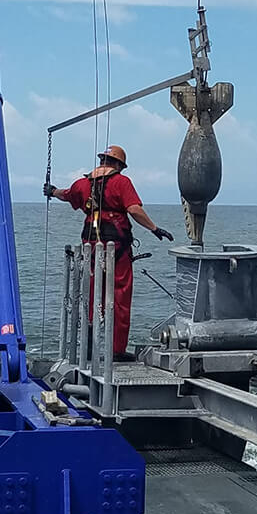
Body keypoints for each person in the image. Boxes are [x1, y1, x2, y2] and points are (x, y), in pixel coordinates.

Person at [45, 145, 173, 361]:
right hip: (117, 249)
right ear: (118, 165)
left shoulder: (82, 184)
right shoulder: (121, 182)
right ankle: (117, 351)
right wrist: (154, 229)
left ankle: (88, 348)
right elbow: (133, 209)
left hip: (90, 247)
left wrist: (52, 191)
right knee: (120, 297)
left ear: (102, 160)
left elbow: (66, 195)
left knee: (91, 295)